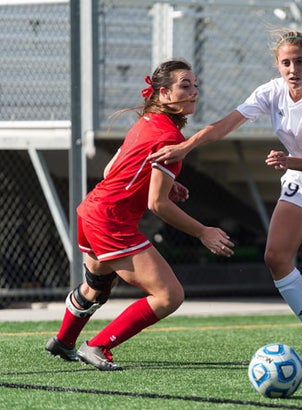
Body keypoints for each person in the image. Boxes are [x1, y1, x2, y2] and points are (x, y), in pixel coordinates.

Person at [148, 29, 302, 366]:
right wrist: (185, 146)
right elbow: (224, 125)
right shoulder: (272, 92)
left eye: (299, 62)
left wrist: (288, 160)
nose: (292, 69)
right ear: (278, 66)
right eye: (285, 63)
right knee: (276, 257)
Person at [45, 59, 235, 370]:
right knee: (169, 295)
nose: (194, 92)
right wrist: (203, 231)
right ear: (164, 93)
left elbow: (111, 170)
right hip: (110, 220)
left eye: (195, 85)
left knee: (96, 287)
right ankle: (97, 346)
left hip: (91, 210)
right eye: (185, 86)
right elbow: (156, 205)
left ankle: (64, 340)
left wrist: (167, 184)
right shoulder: (171, 138)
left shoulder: (146, 121)